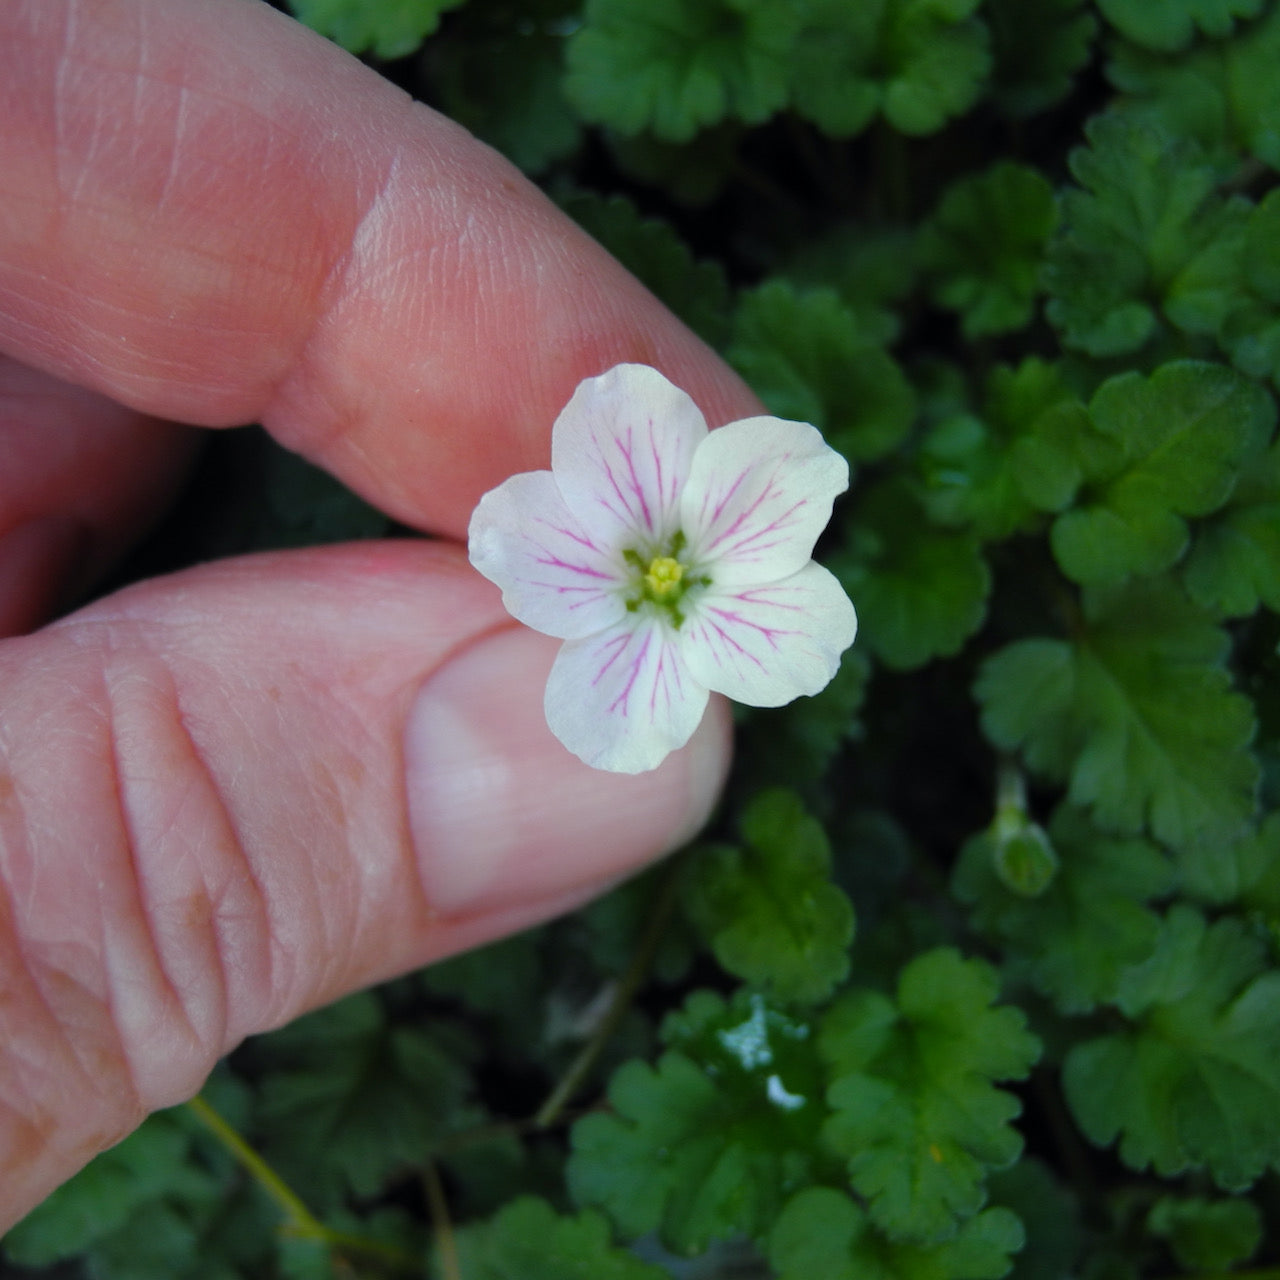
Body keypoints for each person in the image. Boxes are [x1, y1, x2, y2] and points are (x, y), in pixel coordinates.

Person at [0, 0, 755, 1230]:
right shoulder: (587, 550)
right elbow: (525, 532)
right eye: (658, 570)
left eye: (663, 571)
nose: (663, 573)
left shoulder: (716, 555)